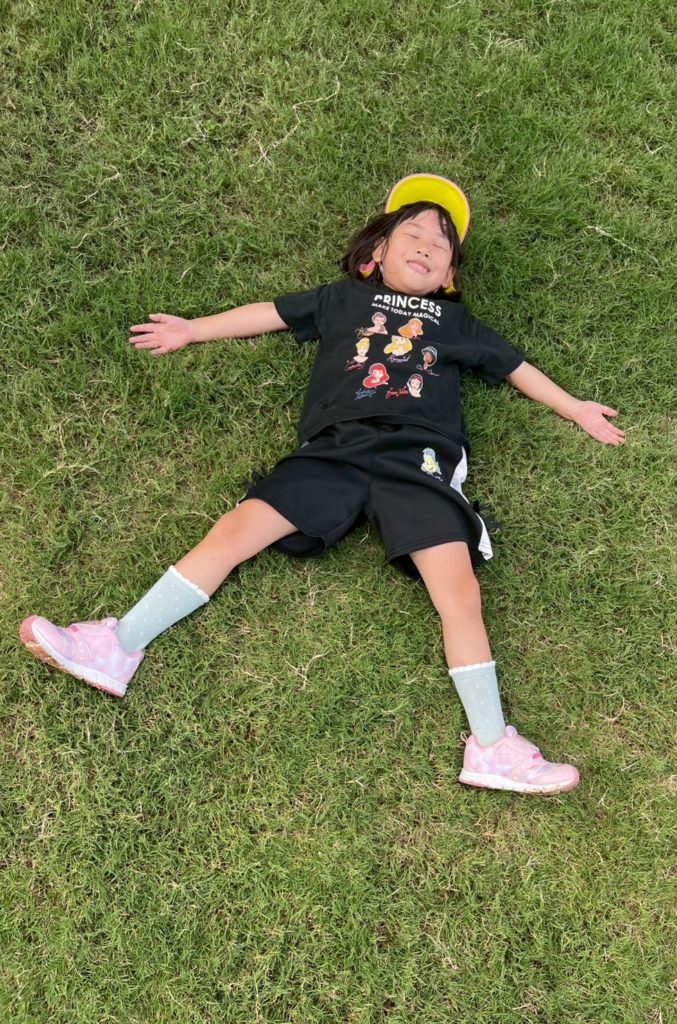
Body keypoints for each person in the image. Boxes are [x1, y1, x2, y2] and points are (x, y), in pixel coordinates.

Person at [20, 173, 625, 795]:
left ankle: (493, 746)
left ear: (448, 275)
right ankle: (117, 646)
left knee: (458, 590)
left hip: (419, 461)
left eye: (440, 244)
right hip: (335, 450)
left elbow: (516, 366)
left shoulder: (456, 321)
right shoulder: (342, 299)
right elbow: (271, 314)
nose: (425, 244)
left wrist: (575, 407)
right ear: (376, 254)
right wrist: (193, 329)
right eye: (412, 233)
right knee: (234, 531)